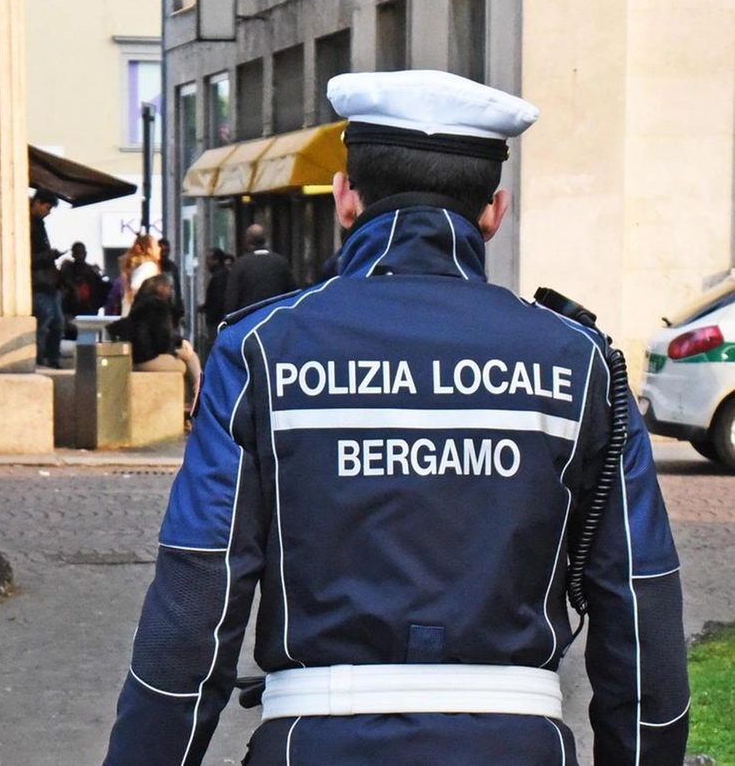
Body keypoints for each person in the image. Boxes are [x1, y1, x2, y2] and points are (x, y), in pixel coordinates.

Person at [102, 70, 689, 765]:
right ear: (494, 211)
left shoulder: (259, 349)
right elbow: (639, 601)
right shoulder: (580, 361)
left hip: (310, 746)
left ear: (346, 198)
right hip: (521, 747)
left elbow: (197, 598)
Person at [108, 274, 202, 409]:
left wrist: (179, 342)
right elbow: (162, 342)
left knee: (188, 357)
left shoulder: (138, 305)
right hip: (148, 360)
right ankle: (198, 399)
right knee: (188, 360)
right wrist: (178, 350)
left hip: (134, 359)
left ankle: (193, 401)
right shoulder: (159, 307)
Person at [222, 224, 296, 314]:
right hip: (275, 317)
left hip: (249, 320)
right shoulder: (281, 262)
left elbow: (232, 298)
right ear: (265, 239)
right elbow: (293, 292)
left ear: (247, 240)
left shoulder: (240, 264)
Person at [30, 190, 65, 369]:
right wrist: (49, 256)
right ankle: (43, 358)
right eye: (47, 207)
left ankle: (49, 357)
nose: (48, 212)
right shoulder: (31, 225)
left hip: (47, 283)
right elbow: (29, 258)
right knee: (45, 322)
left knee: (55, 323)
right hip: (40, 283)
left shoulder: (37, 225)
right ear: (36, 202)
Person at [60, 241, 110, 316]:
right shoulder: (68, 268)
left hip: (89, 307)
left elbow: (102, 286)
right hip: (72, 308)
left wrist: (100, 275)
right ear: (73, 254)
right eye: (77, 253)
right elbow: (65, 283)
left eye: (82, 253)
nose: (80, 256)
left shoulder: (91, 270)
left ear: (85, 253)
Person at [119, 234, 162, 311]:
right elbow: (135, 286)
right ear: (149, 250)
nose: (160, 249)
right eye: (157, 246)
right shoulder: (149, 266)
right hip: (142, 317)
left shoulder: (135, 267)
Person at [200, 247, 232, 331]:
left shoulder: (219, 276)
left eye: (209, 259)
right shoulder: (222, 274)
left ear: (216, 260)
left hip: (216, 319)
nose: (207, 263)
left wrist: (211, 313)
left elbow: (218, 298)